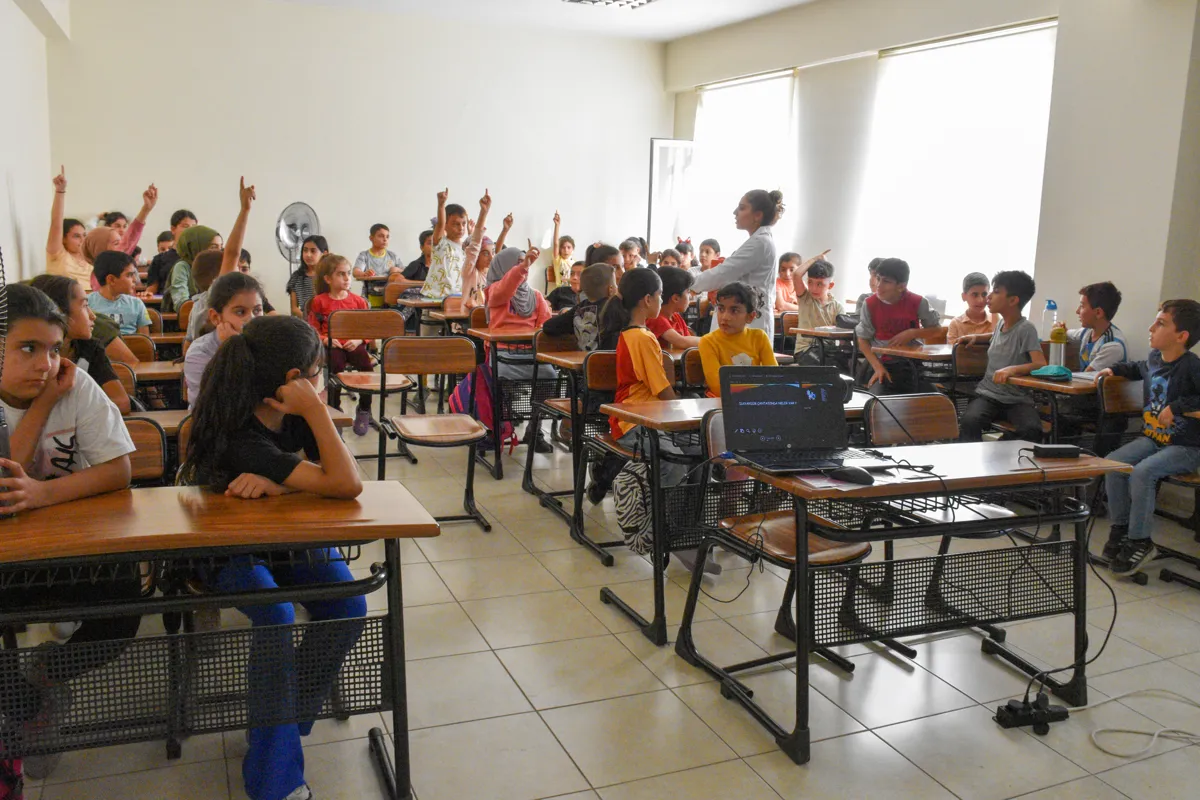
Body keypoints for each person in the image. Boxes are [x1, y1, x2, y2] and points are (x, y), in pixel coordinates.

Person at [179, 315, 365, 800]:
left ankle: (276, 724)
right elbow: (342, 483)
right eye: (317, 372)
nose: (321, 381)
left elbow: (347, 474)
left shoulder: (294, 414)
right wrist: (318, 420)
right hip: (225, 552)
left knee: (349, 602)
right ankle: (274, 781)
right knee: (277, 614)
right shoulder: (239, 431)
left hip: (285, 539)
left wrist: (283, 484)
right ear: (293, 381)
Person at [0, 284, 137, 785]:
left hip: (76, 548)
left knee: (123, 612)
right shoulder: (54, 388)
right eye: (28, 348)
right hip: (9, 559)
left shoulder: (77, 384)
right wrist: (44, 403)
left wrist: (42, 495)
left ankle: (47, 675)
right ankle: (25, 706)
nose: (46, 363)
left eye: (54, 349)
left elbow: (120, 470)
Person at [1096, 299, 1200, 575]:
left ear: (1181, 336)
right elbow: (1138, 367)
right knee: (1114, 464)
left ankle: (1140, 541)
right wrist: (1115, 369)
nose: (1151, 328)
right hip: (1154, 439)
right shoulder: (1155, 358)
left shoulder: (1192, 366)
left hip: (1186, 447)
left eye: (1161, 323)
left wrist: (1177, 407)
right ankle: (1121, 529)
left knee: (1143, 472)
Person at [958, 271, 1046, 442]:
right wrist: (976, 337)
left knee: (1032, 430)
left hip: (1017, 399)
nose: (989, 296)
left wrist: (1012, 370)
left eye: (996, 292)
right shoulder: (1000, 323)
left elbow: (1040, 364)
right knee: (970, 421)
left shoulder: (1026, 329)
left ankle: (999, 452)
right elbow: (996, 336)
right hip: (988, 394)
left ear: (1013, 301)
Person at [484, 244, 557, 452]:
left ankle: (535, 429)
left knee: (550, 376)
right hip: (502, 354)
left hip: (529, 354)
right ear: (504, 266)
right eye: (517, 263)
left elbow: (545, 327)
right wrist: (522, 267)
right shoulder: (494, 291)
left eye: (526, 263)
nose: (525, 267)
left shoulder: (536, 296)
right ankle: (498, 427)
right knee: (502, 383)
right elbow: (506, 287)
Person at [689, 190, 784, 345]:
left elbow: (723, 273)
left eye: (741, 208)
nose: (735, 212)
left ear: (757, 215)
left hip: (750, 322)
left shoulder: (760, 243)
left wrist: (689, 284)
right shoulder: (759, 241)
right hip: (741, 318)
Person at [29, 274, 131, 413]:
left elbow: (122, 402)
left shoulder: (90, 348)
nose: (92, 315)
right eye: (84, 306)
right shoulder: (30, 358)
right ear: (60, 314)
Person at [855, 257, 943, 394]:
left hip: (914, 365)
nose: (879, 285)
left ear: (901, 286)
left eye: (886, 281)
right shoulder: (870, 304)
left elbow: (936, 330)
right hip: (882, 363)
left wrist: (912, 333)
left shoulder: (918, 302)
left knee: (937, 401)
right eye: (878, 279)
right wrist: (878, 368)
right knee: (876, 401)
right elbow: (862, 340)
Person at [183, 179, 256, 341]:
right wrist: (245, 210)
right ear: (218, 279)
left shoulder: (197, 306)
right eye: (234, 269)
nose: (237, 271)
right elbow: (232, 253)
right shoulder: (214, 298)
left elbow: (188, 343)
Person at [307, 254, 372, 434]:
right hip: (332, 345)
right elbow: (313, 329)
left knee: (367, 368)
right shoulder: (319, 301)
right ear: (328, 279)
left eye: (348, 273)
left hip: (354, 343)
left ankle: (364, 409)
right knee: (336, 368)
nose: (347, 278)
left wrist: (359, 340)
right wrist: (326, 340)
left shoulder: (358, 301)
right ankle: (335, 409)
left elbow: (368, 328)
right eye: (341, 274)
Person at [185, 272, 267, 406]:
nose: (252, 319)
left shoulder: (268, 344)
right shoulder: (200, 352)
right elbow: (212, 406)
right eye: (240, 312)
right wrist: (234, 348)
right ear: (216, 317)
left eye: (257, 310)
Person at [699, 282, 777, 397]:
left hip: (755, 400)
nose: (725, 317)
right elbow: (718, 387)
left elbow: (774, 377)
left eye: (734, 311)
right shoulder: (708, 342)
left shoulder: (759, 337)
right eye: (721, 309)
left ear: (750, 317)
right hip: (722, 402)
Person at [544, 263, 618, 351]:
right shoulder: (615, 307)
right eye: (616, 284)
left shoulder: (578, 309)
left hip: (584, 358)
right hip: (610, 358)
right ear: (611, 289)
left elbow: (548, 327)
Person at [790, 254, 843, 366]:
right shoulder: (805, 298)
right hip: (805, 350)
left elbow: (842, 332)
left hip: (828, 350)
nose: (813, 288)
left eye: (819, 284)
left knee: (846, 364)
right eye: (810, 282)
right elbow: (797, 274)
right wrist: (815, 259)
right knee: (825, 364)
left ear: (830, 285)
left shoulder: (837, 306)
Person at [44, 168, 90, 290]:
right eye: (76, 236)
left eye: (84, 235)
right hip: (66, 300)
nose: (82, 240)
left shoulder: (90, 259)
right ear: (63, 238)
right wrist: (60, 191)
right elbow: (56, 224)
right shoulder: (58, 255)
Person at [87, 251, 151, 336]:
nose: (135, 280)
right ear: (111, 280)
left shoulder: (137, 304)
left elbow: (144, 340)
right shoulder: (87, 304)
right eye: (129, 275)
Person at [421, 189, 469, 301]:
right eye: (455, 224)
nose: (461, 228)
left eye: (463, 224)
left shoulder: (465, 248)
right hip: (435, 296)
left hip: (457, 297)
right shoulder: (440, 243)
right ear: (445, 226)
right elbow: (440, 223)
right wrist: (441, 204)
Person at [1071, 282, 1127, 371]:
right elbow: (1067, 332)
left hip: (1091, 380)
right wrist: (1060, 327)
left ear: (1098, 313)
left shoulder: (1112, 346)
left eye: (1082, 306)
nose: (1077, 311)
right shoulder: (1087, 331)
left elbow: (1086, 375)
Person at [145, 209, 198, 295]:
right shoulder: (159, 260)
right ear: (173, 229)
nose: (190, 230)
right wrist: (147, 293)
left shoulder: (200, 257)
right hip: (166, 300)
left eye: (194, 227)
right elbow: (152, 289)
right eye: (185, 226)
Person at [647, 266, 701, 349]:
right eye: (688, 292)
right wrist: (713, 340)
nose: (690, 296)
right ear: (675, 298)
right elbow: (682, 342)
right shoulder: (656, 319)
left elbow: (690, 342)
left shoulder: (676, 316)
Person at [353, 224, 402, 307]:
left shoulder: (393, 256)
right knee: (371, 314)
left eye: (387, 237)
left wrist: (397, 270)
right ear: (371, 238)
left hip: (390, 297)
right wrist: (364, 273)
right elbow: (356, 272)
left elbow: (405, 272)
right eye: (381, 236)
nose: (385, 239)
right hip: (369, 296)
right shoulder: (364, 255)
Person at [948, 272, 996, 344]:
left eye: (984, 294)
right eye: (975, 294)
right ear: (964, 297)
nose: (980, 300)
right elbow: (953, 349)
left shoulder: (996, 320)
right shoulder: (955, 324)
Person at [286, 235, 327, 318]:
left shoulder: (329, 276)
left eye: (313, 251)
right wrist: (308, 319)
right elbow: (294, 308)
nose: (308, 255)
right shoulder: (296, 277)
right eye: (305, 250)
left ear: (324, 253)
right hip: (305, 320)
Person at [548, 211, 575, 291]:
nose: (566, 250)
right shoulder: (558, 260)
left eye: (569, 247)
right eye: (563, 247)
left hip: (573, 291)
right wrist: (557, 225)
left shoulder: (574, 263)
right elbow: (556, 243)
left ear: (572, 249)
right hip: (561, 291)